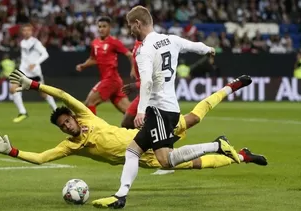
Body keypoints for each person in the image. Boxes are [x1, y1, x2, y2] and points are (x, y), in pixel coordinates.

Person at [92, 6, 247, 208]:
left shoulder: (144, 50)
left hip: (159, 111)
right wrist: (209, 49)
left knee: (165, 161)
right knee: (132, 152)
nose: (130, 31)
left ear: (138, 24)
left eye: (131, 26)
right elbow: (195, 45)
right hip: (169, 108)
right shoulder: (171, 39)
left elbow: (146, 83)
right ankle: (120, 196)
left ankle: (217, 145)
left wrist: (140, 111)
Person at [0, 69, 267, 172]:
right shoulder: (71, 146)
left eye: (67, 121)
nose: (66, 126)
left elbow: (62, 93)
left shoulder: (85, 114)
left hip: (146, 134)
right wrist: (12, 152)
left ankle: (231, 86)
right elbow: (40, 158)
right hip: (143, 159)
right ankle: (241, 156)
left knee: (193, 118)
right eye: (63, 126)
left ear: (73, 117)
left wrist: (34, 85)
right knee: (192, 164)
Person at [76, 16, 134, 115]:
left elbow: (129, 55)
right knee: (128, 112)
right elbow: (94, 59)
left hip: (111, 79)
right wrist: (83, 65)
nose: (101, 29)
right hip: (113, 81)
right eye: (99, 27)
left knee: (90, 103)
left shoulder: (114, 42)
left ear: (109, 27)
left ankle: (93, 129)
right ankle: (149, 124)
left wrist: (133, 69)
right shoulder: (95, 43)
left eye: (104, 26)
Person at [10, 23, 57, 123]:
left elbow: (45, 54)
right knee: (13, 88)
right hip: (23, 71)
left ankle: (56, 110)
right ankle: (23, 112)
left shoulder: (36, 43)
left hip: (35, 72)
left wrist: (35, 63)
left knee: (44, 94)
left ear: (32, 32)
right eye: (24, 30)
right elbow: (25, 57)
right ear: (22, 32)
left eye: (28, 30)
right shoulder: (22, 42)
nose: (26, 32)